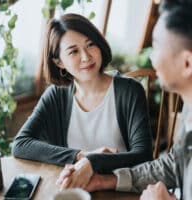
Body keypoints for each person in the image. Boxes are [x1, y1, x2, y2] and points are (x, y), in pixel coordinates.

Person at [57, 1, 192, 199]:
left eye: (156, 47)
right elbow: (174, 165)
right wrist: (107, 180)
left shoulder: (128, 90)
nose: (152, 59)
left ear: (186, 63)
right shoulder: (189, 108)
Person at [12, 13, 153, 189]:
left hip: (121, 189)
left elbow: (144, 157)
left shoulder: (130, 91)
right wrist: (80, 155)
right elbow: (21, 145)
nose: (86, 57)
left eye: (90, 45)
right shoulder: (56, 95)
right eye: (73, 51)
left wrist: (93, 161)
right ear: (59, 62)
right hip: (77, 190)